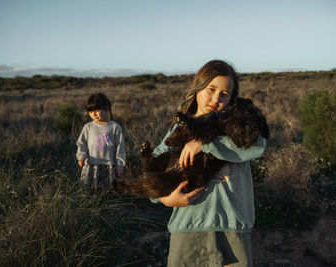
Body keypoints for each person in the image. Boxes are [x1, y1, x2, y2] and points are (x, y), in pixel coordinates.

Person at [151, 60, 266, 266]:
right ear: (198, 88)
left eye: (224, 94)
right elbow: (151, 171)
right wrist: (166, 198)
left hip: (233, 229)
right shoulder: (181, 128)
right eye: (211, 89)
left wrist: (203, 143)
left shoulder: (237, 126)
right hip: (188, 228)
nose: (216, 98)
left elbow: (257, 147)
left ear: (231, 98)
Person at [76, 93, 126, 190]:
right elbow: (81, 144)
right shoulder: (88, 127)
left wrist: (120, 166)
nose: (93, 114)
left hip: (108, 167)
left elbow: (120, 148)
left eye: (97, 110)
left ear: (107, 108)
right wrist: (81, 156)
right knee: (88, 191)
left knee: (107, 192)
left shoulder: (115, 127)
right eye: (90, 111)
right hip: (90, 166)